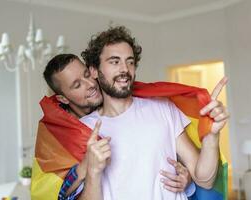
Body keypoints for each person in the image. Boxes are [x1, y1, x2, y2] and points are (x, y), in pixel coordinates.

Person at [78, 26, 229, 199]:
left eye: (130, 61)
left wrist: (212, 135)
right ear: (94, 71)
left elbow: (204, 180)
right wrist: (93, 172)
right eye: (114, 61)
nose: (125, 69)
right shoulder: (83, 129)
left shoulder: (162, 108)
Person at [30, 54, 194, 200]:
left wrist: (186, 177)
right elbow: (56, 194)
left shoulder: (127, 100)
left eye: (87, 74)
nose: (90, 84)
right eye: (77, 85)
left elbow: (161, 154)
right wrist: (86, 166)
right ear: (63, 99)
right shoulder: (58, 137)